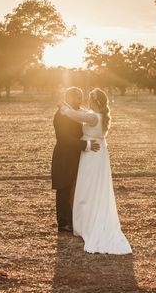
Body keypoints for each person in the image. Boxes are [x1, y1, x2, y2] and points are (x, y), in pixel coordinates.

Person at [59, 87, 132, 255]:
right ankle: (87, 221)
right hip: (97, 155)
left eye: (90, 99)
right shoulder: (98, 115)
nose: (87, 101)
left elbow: (76, 115)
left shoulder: (92, 117)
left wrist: (64, 107)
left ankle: (87, 223)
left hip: (91, 155)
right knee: (94, 189)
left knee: (88, 189)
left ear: (94, 102)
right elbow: (83, 113)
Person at [51, 87, 99, 232]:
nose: (79, 98)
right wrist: (86, 144)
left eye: (80, 96)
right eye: (75, 96)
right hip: (65, 156)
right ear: (68, 97)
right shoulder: (61, 115)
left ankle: (75, 220)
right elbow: (64, 138)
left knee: (76, 189)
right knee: (64, 189)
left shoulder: (78, 112)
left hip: (79, 156)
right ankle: (63, 223)